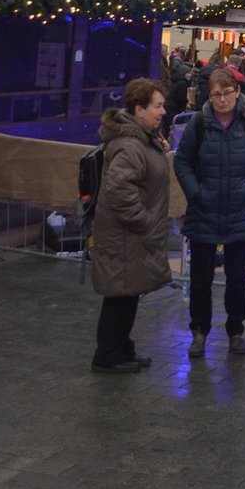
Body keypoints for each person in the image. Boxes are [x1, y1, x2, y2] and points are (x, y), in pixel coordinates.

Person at [174, 65, 245, 359]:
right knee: (200, 277)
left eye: (227, 93)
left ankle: (236, 330)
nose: (221, 100)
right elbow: (182, 161)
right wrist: (196, 191)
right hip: (203, 209)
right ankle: (199, 331)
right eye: (216, 94)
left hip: (239, 208)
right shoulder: (199, 123)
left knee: (237, 277)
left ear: (237, 92)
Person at [90, 78, 172, 375]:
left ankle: (122, 347)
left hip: (131, 236)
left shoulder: (141, 138)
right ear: (139, 109)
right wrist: (145, 221)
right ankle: (108, 355)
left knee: (128, 292)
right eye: (157, 106)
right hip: (125, 235)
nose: (163, 111)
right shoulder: (129, 144)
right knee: (120, 295)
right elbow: (119, 191)